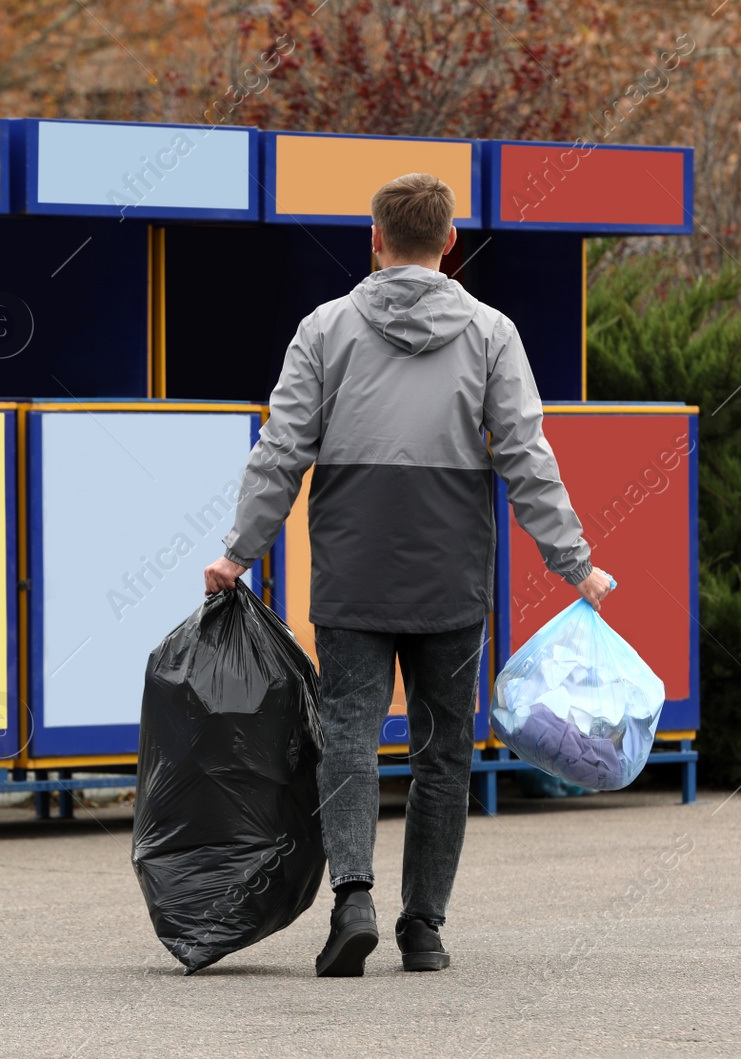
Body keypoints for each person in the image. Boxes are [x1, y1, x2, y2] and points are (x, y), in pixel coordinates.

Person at [202, 172, 612, 977]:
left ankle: (351, 898)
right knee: (444, 750)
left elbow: (280, 451)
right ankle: (422, 928)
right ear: (450, 242)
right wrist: (576, 564)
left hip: (354, 569)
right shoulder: (492, 333)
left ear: (376, 240)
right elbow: (528, 457)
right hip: (452, 573)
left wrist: (237, 553)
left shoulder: (324, 330)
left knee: (350, 731)